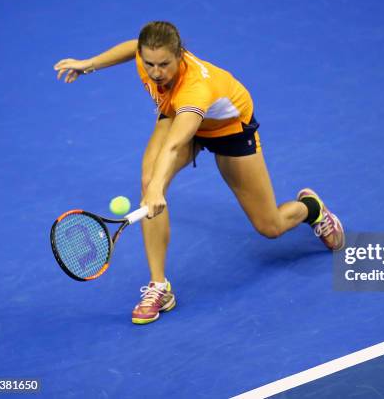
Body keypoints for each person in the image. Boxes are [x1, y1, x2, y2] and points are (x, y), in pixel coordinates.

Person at [54, 21, 344, 324]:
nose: (156, 73)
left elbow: (175, 143)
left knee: (269, 226)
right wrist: (89, 64)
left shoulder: (197, 88)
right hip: (176, 114)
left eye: (164, 64)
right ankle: (159, 286)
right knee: (148, 180)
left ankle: (312, 209)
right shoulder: (148, 58)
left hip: (228, 130)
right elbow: (132, 47)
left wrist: (156, 190)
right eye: (150, 63)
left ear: (180, 55)